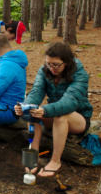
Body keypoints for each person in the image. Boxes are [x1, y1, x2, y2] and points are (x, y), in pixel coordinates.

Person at [15, 42, 93, 177]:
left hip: (78, 119)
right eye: (48, 64)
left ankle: (55, 161)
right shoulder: (45, 70)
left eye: (56, 65)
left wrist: (45, 110)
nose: (52, 68)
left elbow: (70, 102)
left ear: (67, 62)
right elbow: (36, 92)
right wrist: (25, 106)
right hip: (54, 114)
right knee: (32, 111)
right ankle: (34, 156)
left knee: (61, 117)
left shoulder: (79, 74)